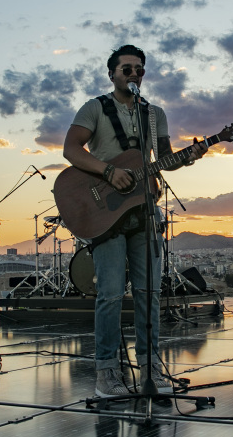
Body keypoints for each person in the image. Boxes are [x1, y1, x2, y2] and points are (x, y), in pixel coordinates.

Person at [63, 45, 207, 397]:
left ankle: (151, 369)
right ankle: (106, 374)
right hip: (106, 214)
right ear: (111, 73)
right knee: (110, 295)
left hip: (144, 211)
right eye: (126, 69)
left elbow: (166, 160)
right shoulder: (95, 107)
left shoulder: (154, 114)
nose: (133, 74)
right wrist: (109, 172)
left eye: (139, 70)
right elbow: (70, 149)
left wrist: (192, 155)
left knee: (149, 294)